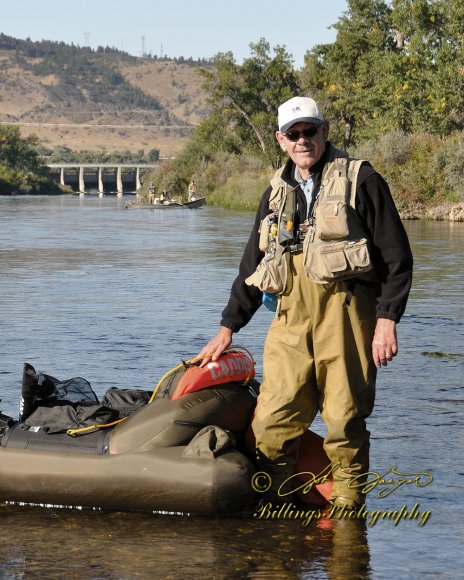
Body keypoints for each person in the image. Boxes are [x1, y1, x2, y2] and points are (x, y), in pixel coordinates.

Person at [198, 96, 413, 509]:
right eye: (293, 134)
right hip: (289, 324)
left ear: (324, 131)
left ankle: (349, 524)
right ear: (281, 140)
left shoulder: (362, 180)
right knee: (272, 424)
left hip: (347, 321)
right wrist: (228, 327)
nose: (302, 140)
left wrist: (387, 320)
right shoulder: (274, 194)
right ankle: (281, 519)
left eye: (309, 131)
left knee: (345, 423)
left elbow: (397, 258)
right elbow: (251, 266)